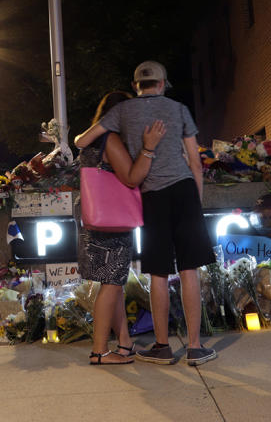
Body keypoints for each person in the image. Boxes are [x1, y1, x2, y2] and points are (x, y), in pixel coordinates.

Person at [74, 60, 217, 366]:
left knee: (159, 273)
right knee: (189, 269)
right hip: (183, 191)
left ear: (136, 86)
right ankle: (194, 346)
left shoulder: (122, 112)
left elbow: (82, 141)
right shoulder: (179, 109)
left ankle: (162, 347)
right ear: (162, 83)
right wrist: (197, 199)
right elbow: (194, 160)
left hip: (152, 197)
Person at [74, 91, 166, 365]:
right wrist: (149, 149)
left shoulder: (94, 139)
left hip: (96, 216)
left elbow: (79, 141)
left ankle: (123, 343)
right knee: (112, 283)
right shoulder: (111, 140)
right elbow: (131, 177)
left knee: (111, 283)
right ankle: (99, 351)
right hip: (110, 220)